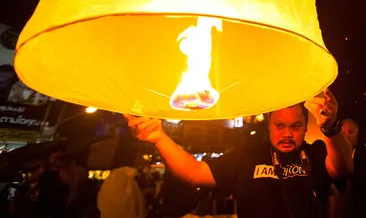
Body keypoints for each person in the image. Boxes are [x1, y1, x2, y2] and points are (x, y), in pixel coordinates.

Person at [126, 89, 353, 218]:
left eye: (295, 126)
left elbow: (343, 168)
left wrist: (330, 127)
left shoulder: (315, 153)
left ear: (305, 127)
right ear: (269, 126)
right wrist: (159, 138)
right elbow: (194, 173)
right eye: (279, 126)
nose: (287, 133)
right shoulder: (247, 157)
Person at [334, 119, 366, 218]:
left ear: (357, 135)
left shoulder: (365, 154)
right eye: (343, 132)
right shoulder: (334, 153)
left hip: (361, 208)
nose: (346, 135)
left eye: (350, 132)